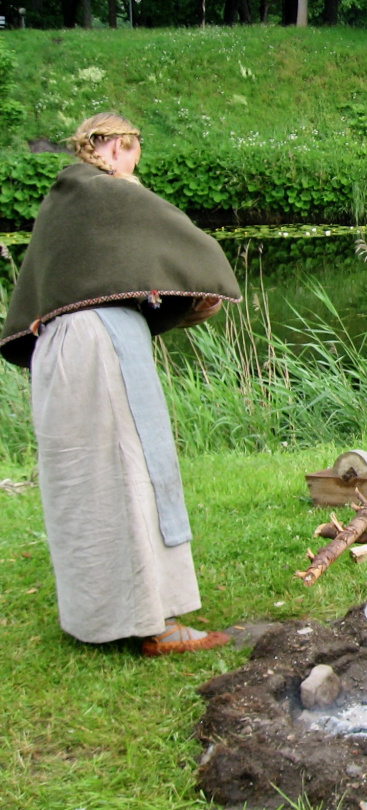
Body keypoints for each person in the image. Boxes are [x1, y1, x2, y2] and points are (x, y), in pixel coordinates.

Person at [0, 113, 242, 655]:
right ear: (108, 146)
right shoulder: (97, 191)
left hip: (72, 351)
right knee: (128, 469)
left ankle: (98, 616)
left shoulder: (68, 201)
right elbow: (179, 237)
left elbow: (104, 285)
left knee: (86, 478)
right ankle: (153, 625)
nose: (134, 164)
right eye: (131, 150)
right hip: (96, 350)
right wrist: (207, 275)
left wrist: (175, 308)